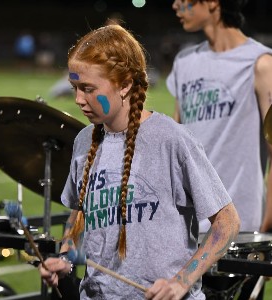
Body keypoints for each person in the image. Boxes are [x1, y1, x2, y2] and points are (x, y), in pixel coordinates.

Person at [38, 24, 240, 299]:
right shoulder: (84, 141)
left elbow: (227, 222)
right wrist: (66, 257)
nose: (78, 99)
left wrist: (181, 281)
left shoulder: (171, 139)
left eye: (88, 88)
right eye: (75, 87)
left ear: (125, 85)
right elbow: (81, 213)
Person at [166, 0, 272, 298]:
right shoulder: (184, 62)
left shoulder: (260, 63)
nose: (176, 6)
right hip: (188, 232)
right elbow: (175, 142)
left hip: (242, 233)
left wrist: (263, 230)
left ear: (213, 2)